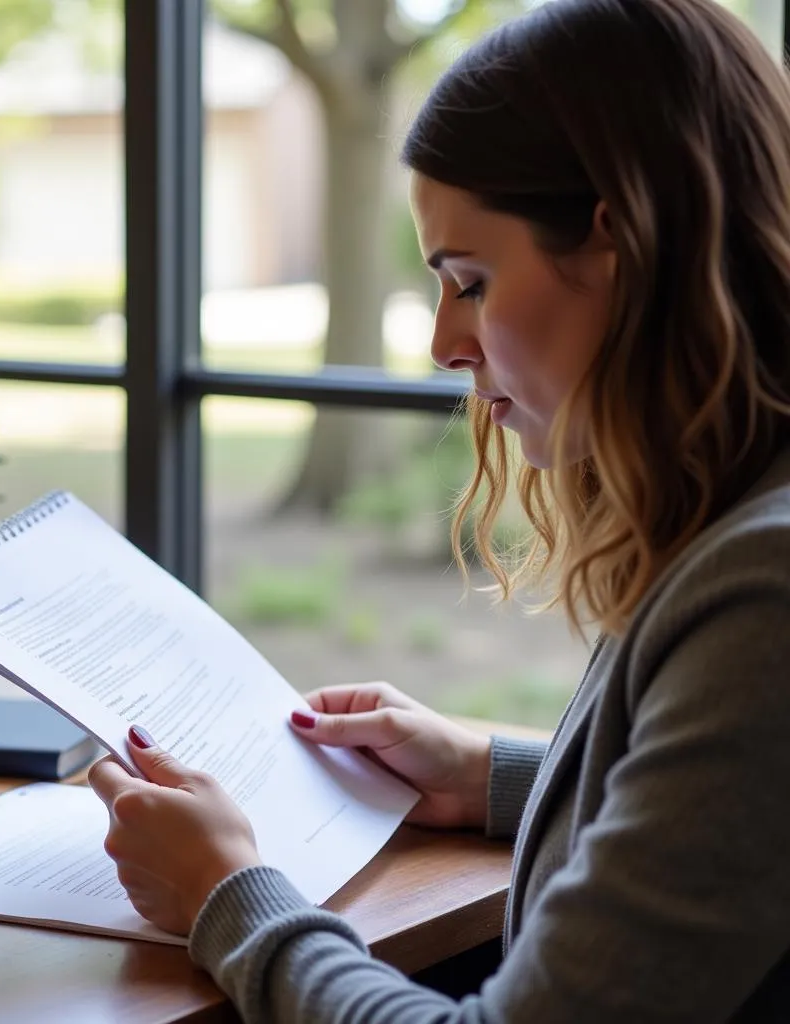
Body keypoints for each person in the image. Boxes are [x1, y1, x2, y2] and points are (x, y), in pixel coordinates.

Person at [87, 0, 790, 1018]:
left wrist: (223, 894)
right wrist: (490, 773)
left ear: (616, 242)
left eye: (469, 280)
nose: (440, 347)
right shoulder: (743, 516)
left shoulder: (763, 591)